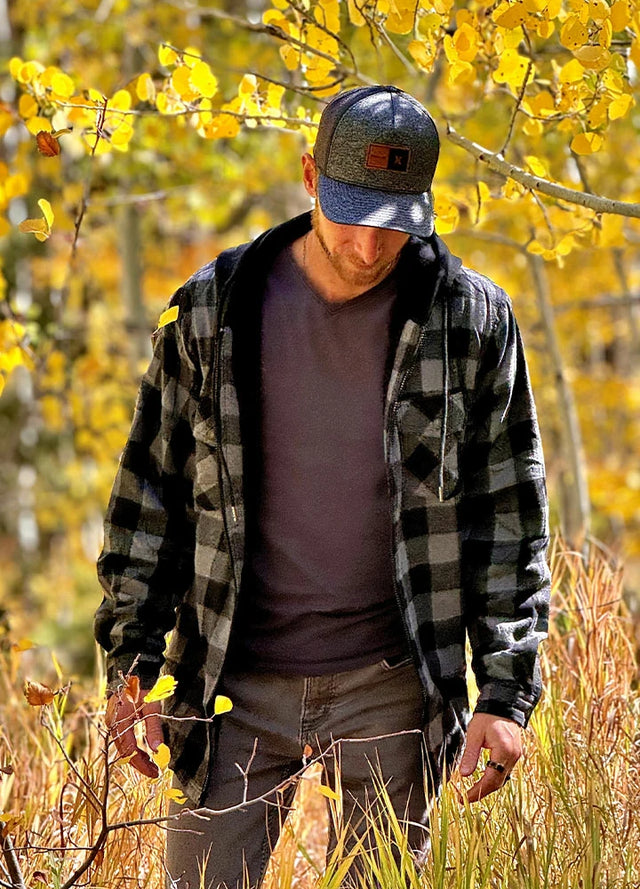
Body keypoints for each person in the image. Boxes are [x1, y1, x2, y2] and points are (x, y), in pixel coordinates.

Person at [95, 84, 550, 889]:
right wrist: (132, 669)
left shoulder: (473, 322)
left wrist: (506, 693)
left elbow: (510, 517)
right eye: (352, 214)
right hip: (231, 683)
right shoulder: (210, 311)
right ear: (310, 174)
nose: (372, 247)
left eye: (395, 224)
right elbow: (148, 499)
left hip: (393, 689)